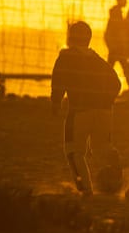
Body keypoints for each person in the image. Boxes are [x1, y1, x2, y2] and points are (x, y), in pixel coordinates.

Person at [51, 21, 123, 196]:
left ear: (70, 38)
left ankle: (87, 190)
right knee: (103, 147)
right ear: (89, 39)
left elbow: (58, 83)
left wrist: (55, 104)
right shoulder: (98, 60)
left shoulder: (65, 57)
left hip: (80, 112)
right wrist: (106, 101)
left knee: (74, 152)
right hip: (105, 112)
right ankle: (117, 170)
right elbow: (117, 83)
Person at [104, 0, 128, 70]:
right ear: (120, 0)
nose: (127, 1)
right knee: (127, 69)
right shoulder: (117, 13)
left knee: (109, 67)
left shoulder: (116, 12)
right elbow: (119, 30)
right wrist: (123, 45)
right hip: (116, 46)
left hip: (114, 45)